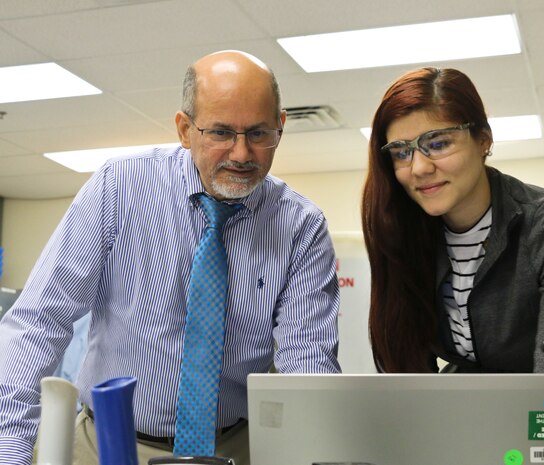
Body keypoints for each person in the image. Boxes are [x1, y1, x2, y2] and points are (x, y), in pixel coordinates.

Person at [0, 51, 341, 465]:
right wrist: (10, 449)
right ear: (184, 129)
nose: (241, 154)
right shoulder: (118, 188)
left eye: (258, 133)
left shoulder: (300, 226)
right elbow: (39, 320)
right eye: (220, 133)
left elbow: (307, 364)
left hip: (233, 447)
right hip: (105, 444)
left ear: (281, 127)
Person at [362, 67, 544, 374]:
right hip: (464, 403)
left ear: (483, 140)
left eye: (438, 144)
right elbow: (405, 371)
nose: (419, 168)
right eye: (401, 152)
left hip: (540, 407)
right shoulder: (401, 229)